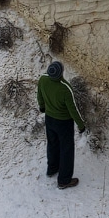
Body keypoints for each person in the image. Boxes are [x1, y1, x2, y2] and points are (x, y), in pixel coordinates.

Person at [37, 60, 86, 189]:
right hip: (64, 123)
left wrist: (42, 107)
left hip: (49, 119)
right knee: (66, 150)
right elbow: (73, 109)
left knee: (52, 144)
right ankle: (64, 180)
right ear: (60, 74)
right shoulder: (65, 87)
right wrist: (81, 125)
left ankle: (52, 168)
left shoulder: (43, 79)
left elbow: (40, 95)